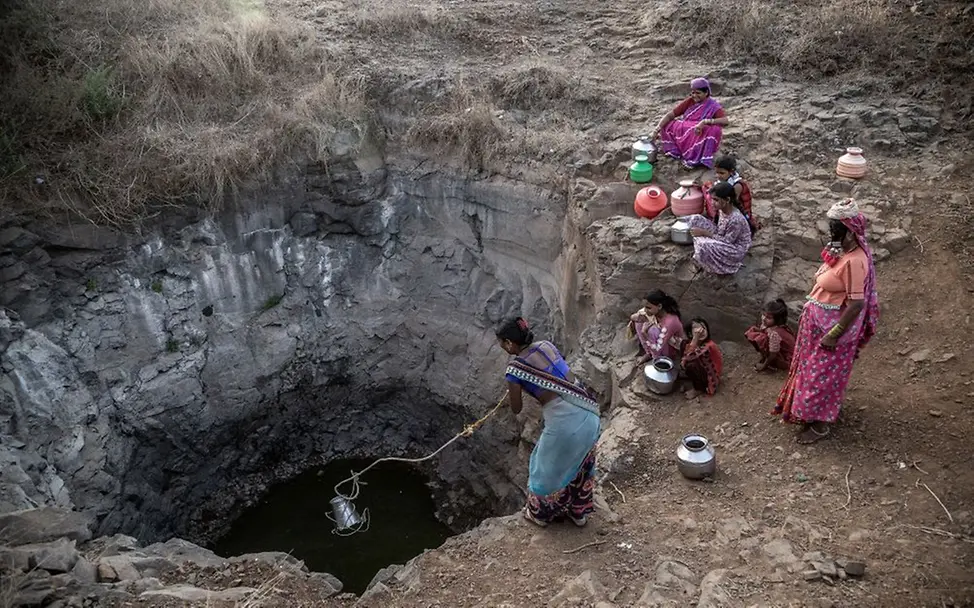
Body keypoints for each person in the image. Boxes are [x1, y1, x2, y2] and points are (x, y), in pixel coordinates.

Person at [772, 199, 880, 444]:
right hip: (818, 327)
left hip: (831, 333)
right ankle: (809, 413)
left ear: (850, 232)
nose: (831, 235)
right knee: (812, 372)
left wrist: (834, 334)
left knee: (821, 377)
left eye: (835, 231)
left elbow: (856, 303)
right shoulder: (845, 252)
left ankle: (820, 424)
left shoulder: (855, 262)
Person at [497, 317, 601, 528]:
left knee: (543, 469)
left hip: (565, 423)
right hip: (589, 413)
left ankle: (540, 515)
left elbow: (516, 408)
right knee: (580, 463)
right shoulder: (546, 346)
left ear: (509, 343)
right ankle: (578, 513)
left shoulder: (514, 370)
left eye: (502, 343)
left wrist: (513, 386)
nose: (502, 347)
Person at [650, 77, 728, 169]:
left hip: (699, 133)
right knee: (666, 124)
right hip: (685, 130)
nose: (694, 95)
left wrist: (705, 121)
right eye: (693, 92)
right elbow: (670, 115)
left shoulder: (713, 105)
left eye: (698, 93)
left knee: (715, 129)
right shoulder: (690, 101)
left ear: (706, 92)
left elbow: (725, 121)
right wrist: (657, 129)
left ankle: (696, 156)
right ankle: (678, 150)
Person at [686, 181, 752, 275]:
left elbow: (727, 241)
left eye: (716, 200)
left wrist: (705, 233)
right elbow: (720, 229)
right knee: (695, 219)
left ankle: (705, 254)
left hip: (735, 249)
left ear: (727, 200)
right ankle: (702, 247)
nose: (712, 203)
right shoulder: (722, 209)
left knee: (704, 245)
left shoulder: (736, 219)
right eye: (712, 199)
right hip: (721, 235)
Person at [703, 156, 760, 234]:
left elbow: (729, 205)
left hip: (738, 217)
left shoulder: (737, 186)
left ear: (731, 172)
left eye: (721, 173)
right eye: (716, 173)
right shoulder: (722, 181)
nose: (718, 176)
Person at [628, 289, 685, 363]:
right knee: (639, 321)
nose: (645, 310)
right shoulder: (656, 312)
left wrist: (644, 333)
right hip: (659, 343)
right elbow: (634, 317)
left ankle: (657, 359)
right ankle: (649, 353)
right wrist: (636, 317)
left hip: (670, 349)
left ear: (659, 306)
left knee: (652, 330)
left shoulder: (670, 322)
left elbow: (658, 348)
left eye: (648, 308)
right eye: (645, 307)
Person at [745, 299, 796, 372]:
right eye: (763, 315)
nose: (764, 319)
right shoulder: (772, 326)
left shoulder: (774, 333)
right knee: (754, 332)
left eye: (768, 318)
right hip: (784, 352)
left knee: (762, 339)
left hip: (789, 360)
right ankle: (767, 358)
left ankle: (773, 364)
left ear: (777, 320)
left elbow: (773, 354)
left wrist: (763, 366)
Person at [681, 317, 722, 399]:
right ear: (690, 334)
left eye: (703, 327)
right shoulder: (697, 343)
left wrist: (695, 338)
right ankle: (692, 378)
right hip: (702, 365)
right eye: (696, 328)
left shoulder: (708, 346)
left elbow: (689, 357)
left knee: (690, 365)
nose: (701, 331)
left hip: (710, 376)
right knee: (683, 344)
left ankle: (699, 389)